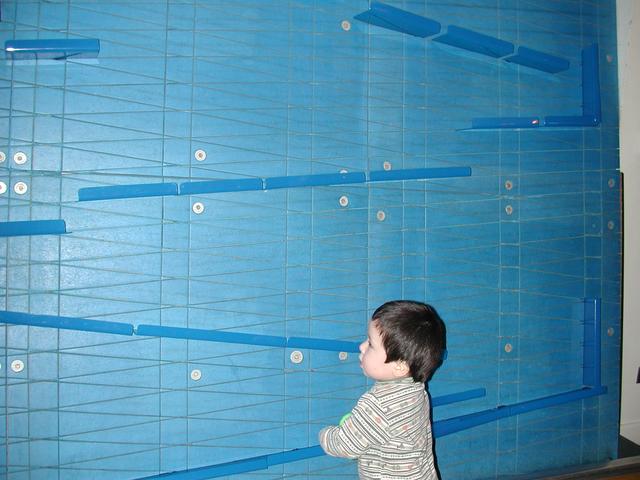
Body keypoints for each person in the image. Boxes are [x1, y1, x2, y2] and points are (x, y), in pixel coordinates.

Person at [319, 300, 446, 479]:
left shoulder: (377, 405)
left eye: (371, 344)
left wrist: (325, 435)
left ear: (400, 366)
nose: (362, 347)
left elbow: (345, 445)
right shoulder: (417, 387)